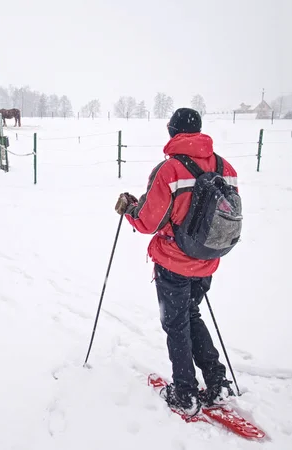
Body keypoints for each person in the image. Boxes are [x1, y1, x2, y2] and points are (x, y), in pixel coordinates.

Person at [114, 108, 237, 416]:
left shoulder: (169, 170)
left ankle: (185, 392)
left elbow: (148, 222)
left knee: (176, 323)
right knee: (190, 314)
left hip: (174, 262)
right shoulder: (226, 166)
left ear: (172, 132)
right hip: (208, 259)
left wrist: (129, 209)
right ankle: (218, 383)